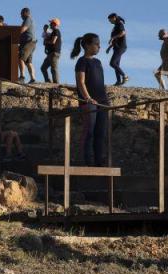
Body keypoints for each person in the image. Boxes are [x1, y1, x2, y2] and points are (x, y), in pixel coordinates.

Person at [71, 33, 110, 167]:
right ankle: (86, 162)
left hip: (102, 102)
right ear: (87, 45)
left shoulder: (98, 62)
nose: (99, 46)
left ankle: (99, 163)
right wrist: (87, 98)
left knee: (100, 133)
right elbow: (80, 82)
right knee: (89, 131)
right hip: (89, 102)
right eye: (96, 44)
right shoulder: (82, 61)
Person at [107, 13, 129, 86]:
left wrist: (113, 38)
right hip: (116, 47)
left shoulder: (119, 24)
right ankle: (118, 81)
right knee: (116, 64)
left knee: (112, 63)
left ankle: (125, 76)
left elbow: (123, 32)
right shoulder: (116, 26)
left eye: (110, 20)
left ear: (114, 18)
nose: (109, 21)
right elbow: (116, 38)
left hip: (121, 47)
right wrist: (109, 47)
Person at [18, 8, 37, 83]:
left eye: (21, 13)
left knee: (20, 58)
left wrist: (16, 35)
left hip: (28, 43)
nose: (21, 15)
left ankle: (22, 77)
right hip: (31, 42)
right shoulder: (28, 20)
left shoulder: (28, 19)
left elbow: (23, 29)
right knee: (28, 62)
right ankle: (33, 78)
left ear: (26, 13)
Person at [40, 18, 62, 84]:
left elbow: (53, 41)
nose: (49, 25)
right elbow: (47, 42)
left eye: (51, 23)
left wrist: (46, 41)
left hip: (54, 53)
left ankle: (56, 84)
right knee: (43, 68)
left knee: (54, 68)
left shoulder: (56, 31)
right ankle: (48, 81)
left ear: (54, 24)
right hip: (50, 53)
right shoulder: (52, 32)